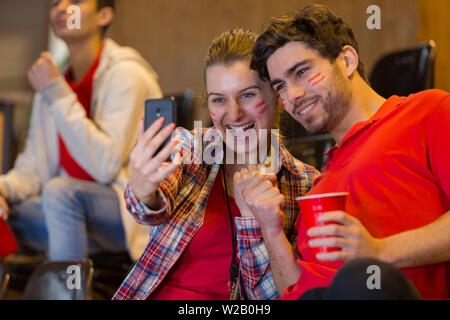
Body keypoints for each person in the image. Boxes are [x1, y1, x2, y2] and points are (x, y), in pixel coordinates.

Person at [234, 4, 450, 299]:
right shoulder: (321, 184)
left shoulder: (428, 112)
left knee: (357, 278)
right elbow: (294, 291)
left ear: (347, 61)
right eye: (281, 86)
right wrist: (271, 231)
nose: (291, 96)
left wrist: (379, 251)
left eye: (302, 71)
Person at [112, 29, 320, 300]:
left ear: (275, 96)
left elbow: (275, 297)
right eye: (219, 99)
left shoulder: (303, 182)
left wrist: (253, 223)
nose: (233, 113)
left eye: (247, 95)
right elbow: (149, 211)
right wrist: (142, 190)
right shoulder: (189, 149)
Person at [0, 0, 163, 262]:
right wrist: (3, 190)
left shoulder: (127, 74)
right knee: (10, 210)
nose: (62, 8)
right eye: (54, 2)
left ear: (104, 15)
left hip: (126, 212)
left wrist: (55, 91)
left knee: (59, 192)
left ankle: (68, 289)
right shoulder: (54, 85)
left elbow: (105, 166)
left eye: (75, 1)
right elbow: (33, 170)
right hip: (65, 213)